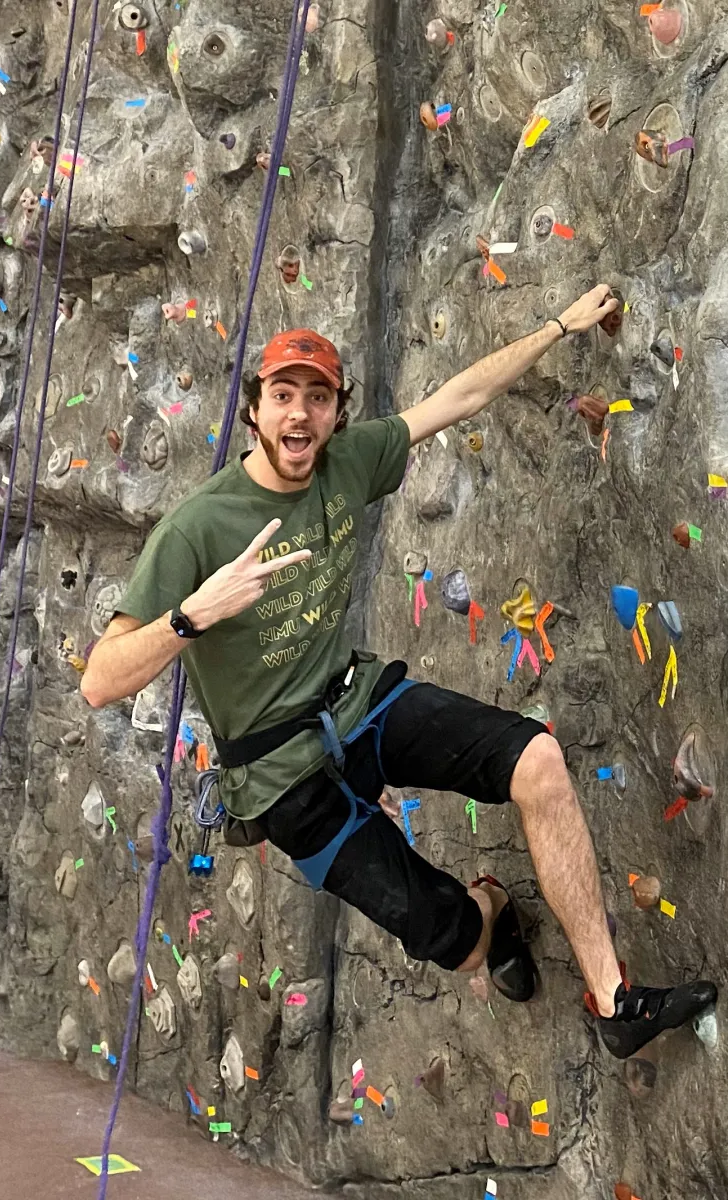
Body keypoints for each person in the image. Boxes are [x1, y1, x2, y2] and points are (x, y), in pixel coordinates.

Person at [82, 285, 717, 1059]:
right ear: (254, 410)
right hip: (279, 776)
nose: (299, 415)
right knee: (454, 942)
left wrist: (559, 325)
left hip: (357, 703)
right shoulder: (197, 527)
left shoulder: (348, 463)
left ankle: (615, 999)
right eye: (283, 396)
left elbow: (461, 395)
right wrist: (193, 614)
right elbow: (100, 681)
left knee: (537, 758)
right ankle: (487, 914)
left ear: (336, 413)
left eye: (317, 399)